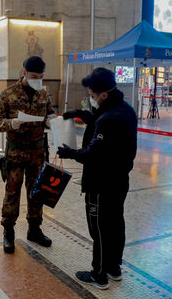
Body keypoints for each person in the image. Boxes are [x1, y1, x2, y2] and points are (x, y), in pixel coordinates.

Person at [57, 68, 137, 290]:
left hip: (101, 183)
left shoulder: (109, 119)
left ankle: (99, 274)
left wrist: (69, 152)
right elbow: (105, 126)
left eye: (92, 95)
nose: (90, 99)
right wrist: (81, 115)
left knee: (100, 229)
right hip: (119, 180)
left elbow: (93, 154)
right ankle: (113, 268)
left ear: (103, 94)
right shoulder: (126, 109)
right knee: (115, 224)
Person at [0, 56, 56, 254]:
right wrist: (10, 123)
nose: (38, 79)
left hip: (37, 151)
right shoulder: (8, 94)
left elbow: (50, 114)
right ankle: (8, 232)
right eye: (34, 76)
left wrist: (49, 121)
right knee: (12, 192)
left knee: (37, 192)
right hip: (16, 151)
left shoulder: (43, 93)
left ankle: (34, 229)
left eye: (41, 76)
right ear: (24, 72)